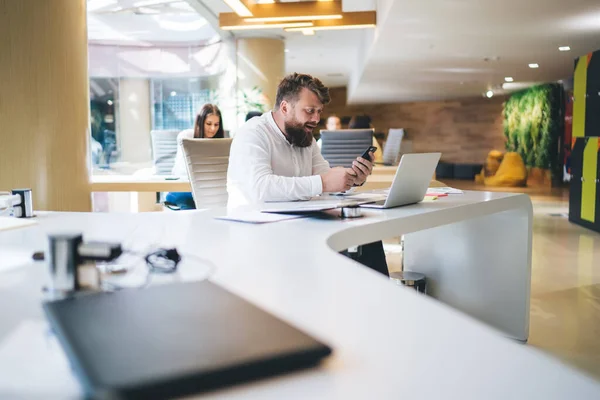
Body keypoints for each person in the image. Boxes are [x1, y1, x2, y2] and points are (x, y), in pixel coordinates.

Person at [227, 73, 389, 277]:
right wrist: (322, 183)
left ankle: (373, 304)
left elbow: (325, 178)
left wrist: (352, 179)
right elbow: (261, 188)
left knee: (366, 233)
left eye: (319, 111)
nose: (316, 119)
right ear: (285, 107)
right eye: (310, 111)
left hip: (296, 224)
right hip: (257, 230)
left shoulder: (305, 136)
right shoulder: (253, 134)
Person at [166, 104, 224, 210]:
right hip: (185, 189)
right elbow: (182, 171)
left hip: (209, 190)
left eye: (216, 124)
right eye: (208, 124)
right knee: (190, 208)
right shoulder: (186, 137)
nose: (212, 129)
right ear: (200, 122)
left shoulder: (221, 144)